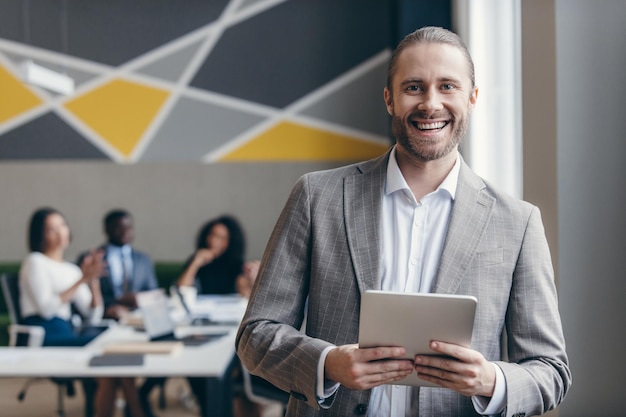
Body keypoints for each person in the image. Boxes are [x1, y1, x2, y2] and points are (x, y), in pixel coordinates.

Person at [236, 26, 571, 417]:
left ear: (472, 98)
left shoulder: (518, 222)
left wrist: (490, 381)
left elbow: (551, 372)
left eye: (448, 87)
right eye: (414, 87)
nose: (431, 104)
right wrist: (328, 364)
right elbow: (256, 334)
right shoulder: (317, 196)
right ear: (389, 99)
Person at [18, 207, 144, 417]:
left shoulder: (71, 269)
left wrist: (92, 282)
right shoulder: (35, 262)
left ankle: (134, 410)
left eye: (63, 226)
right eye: (51, 229)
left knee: (114, 362)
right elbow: (47, 309)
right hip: (45, 336)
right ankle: (139, 411)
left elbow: (93, 315)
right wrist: (82, 280)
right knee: (111, 353)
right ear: (39, 235)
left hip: (68, 334)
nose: (60, 233)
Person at [141, 215, 261, 417]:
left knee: (220, 368)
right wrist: (196, 262)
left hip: (226, 329)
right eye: (212, 235)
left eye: (222, 237)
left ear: (231, 242)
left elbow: (247, 299)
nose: (215, 241)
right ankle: (207, 408)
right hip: (198, 325)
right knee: (193, 365)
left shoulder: (237, 265)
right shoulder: (198, 259)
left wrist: (250, 280)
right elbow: (180, 291)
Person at [78, 209, 158, 321]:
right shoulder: (91, 258)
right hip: (105, 317)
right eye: (119, 227)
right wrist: (115, 303)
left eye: (128, 227)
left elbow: (153, 293)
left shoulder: (143, 260)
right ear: (106, 229)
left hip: (140, 317)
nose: (125, 231)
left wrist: (139, 299)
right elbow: (84, 295)